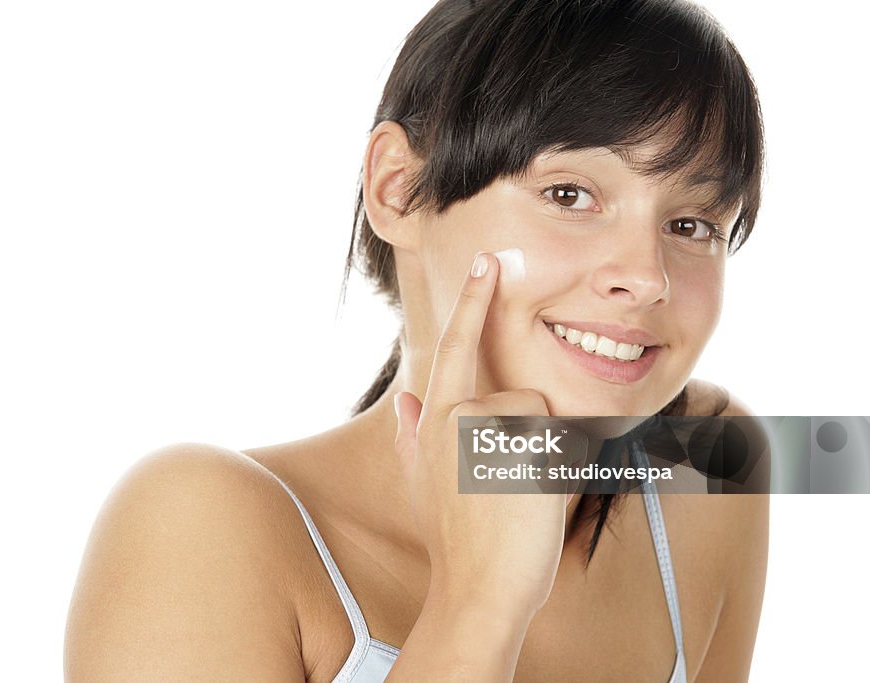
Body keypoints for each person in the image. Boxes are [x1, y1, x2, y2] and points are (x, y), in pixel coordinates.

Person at [65, 0, 769, 680]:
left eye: (692, 224)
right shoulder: (199, 528)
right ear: (397, 189)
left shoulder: (708, 470)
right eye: (569, 194)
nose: (647, 278)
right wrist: (478, 604)